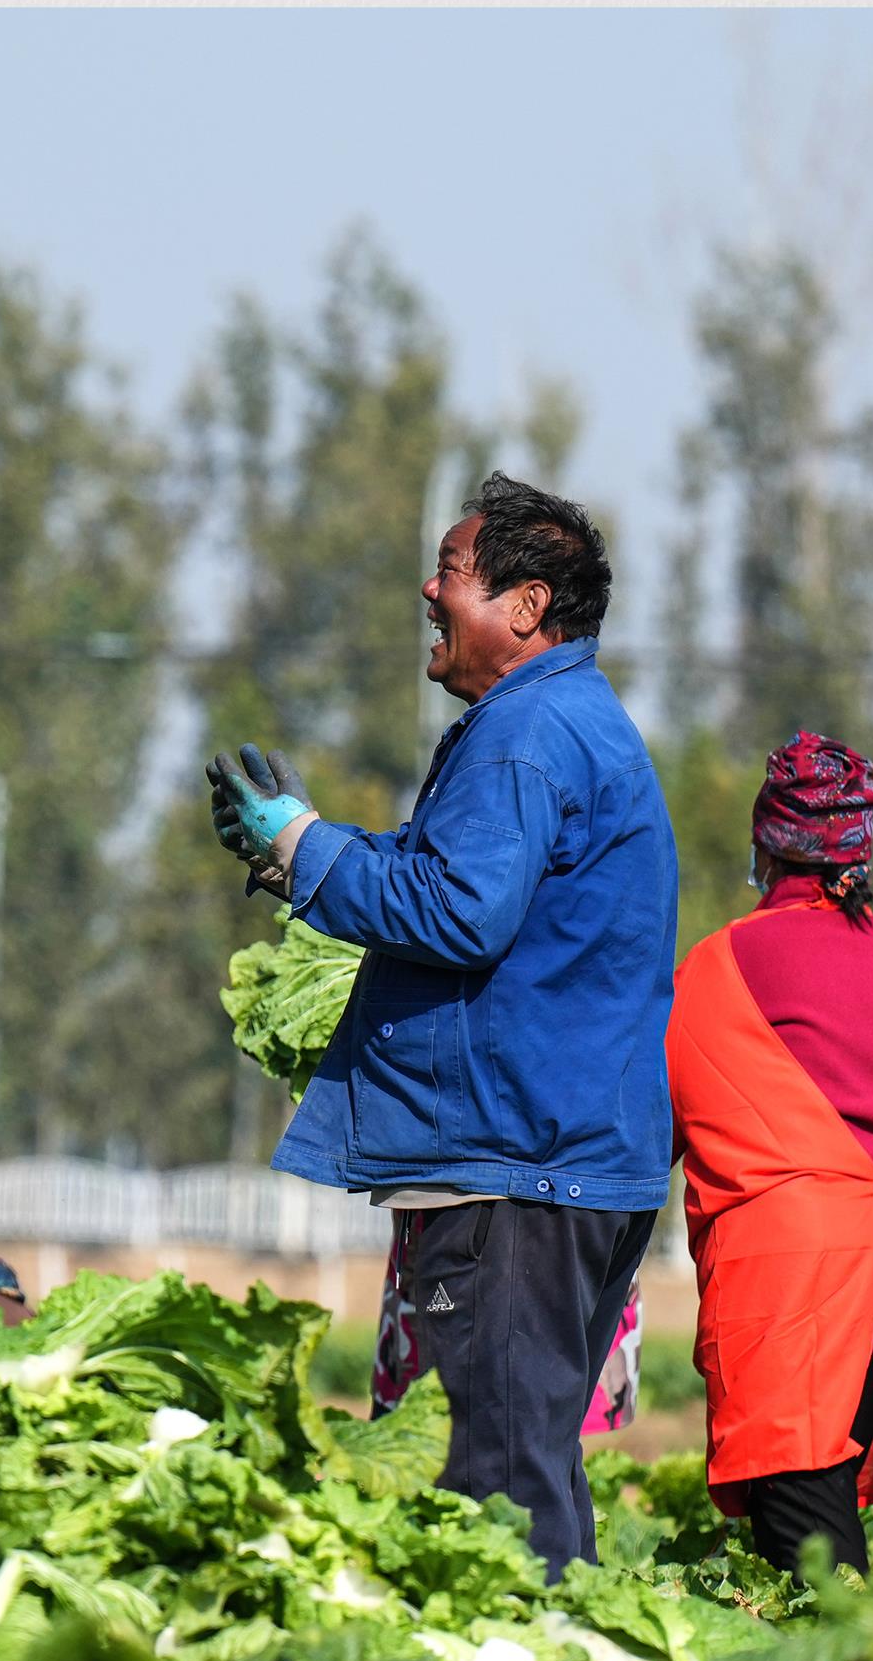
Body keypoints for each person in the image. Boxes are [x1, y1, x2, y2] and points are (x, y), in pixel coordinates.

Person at [201, 474, 677, 1572]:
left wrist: (307, 849)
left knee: (492, 1488)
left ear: (523, 606)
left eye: (452, 573)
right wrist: (299, 851)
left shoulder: (524, 736)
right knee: (530, 1464)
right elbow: (450, 880)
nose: (428, 586)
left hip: (514, 1167)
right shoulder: (561, 724)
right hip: (561, 1160)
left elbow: (460, 914)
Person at [667, 732, 873, 1573]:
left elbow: (650, 1122)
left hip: (799, 1288)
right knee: (821, 1521)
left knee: (808, 1554)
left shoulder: (726, 963)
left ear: (766, 846)